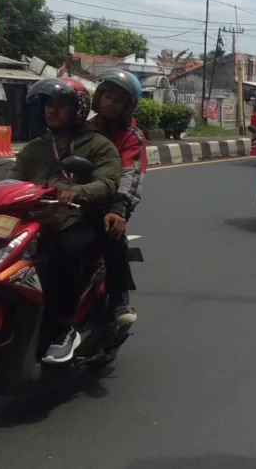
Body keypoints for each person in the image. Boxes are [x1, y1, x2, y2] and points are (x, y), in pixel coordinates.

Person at [6, 77, 121, 364]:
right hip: (33, 222)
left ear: (78, 109)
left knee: (63, 254)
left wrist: (78, 192)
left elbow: (108, 182)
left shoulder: (99, 146)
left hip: (76, 219)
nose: (51, 112)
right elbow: (11, 180)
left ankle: (64, 327)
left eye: (59, 106)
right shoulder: (35, 148)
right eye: (48, 106)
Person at [89, 68, 147, 328]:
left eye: (117, 100)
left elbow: (129, 174)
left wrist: (118, 208)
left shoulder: (131, 136)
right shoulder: (85, 129)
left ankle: (119, 298)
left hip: (114, 200)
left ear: (128, 106)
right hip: (79, 196)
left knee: (112, 236)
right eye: (106, 95)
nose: (109, 103)